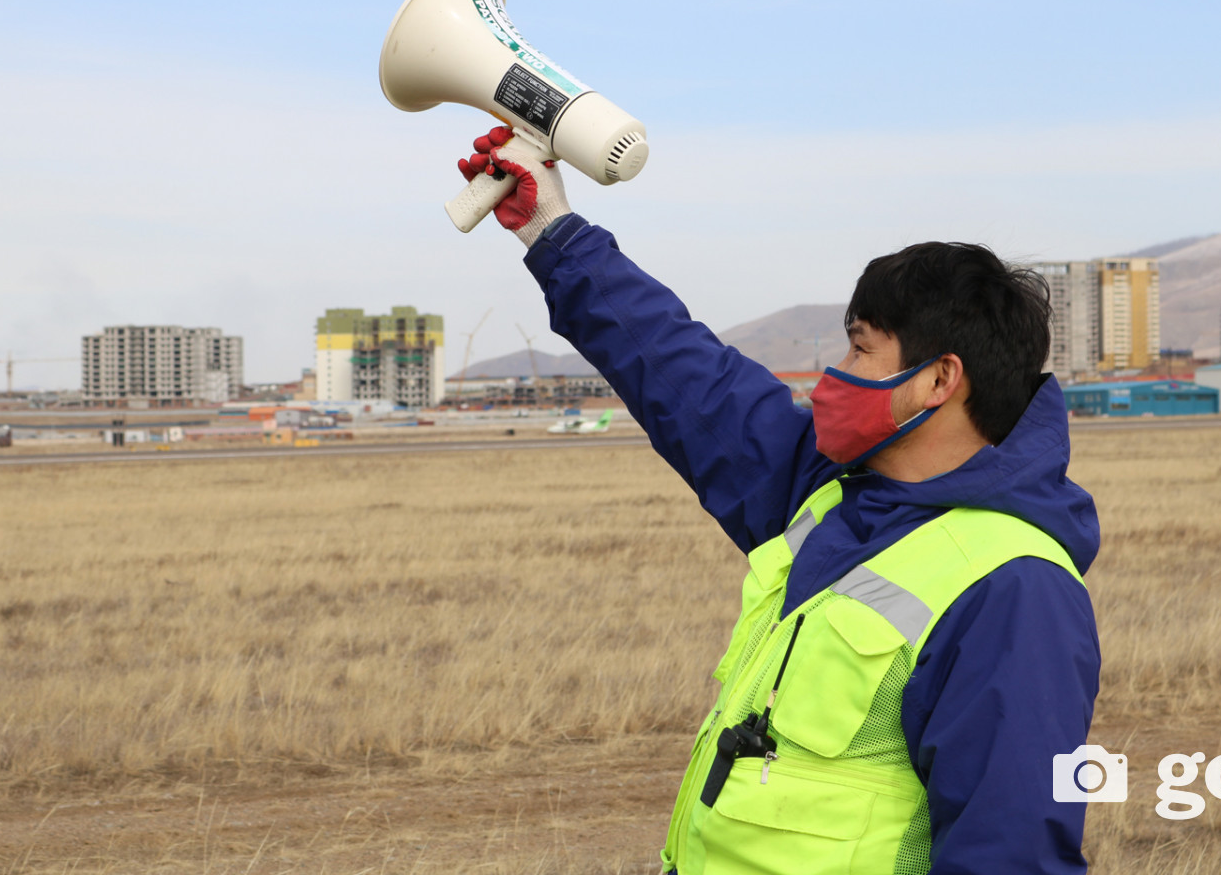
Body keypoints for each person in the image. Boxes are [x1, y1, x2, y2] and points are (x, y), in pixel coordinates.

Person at [456, 128, 1102, 875]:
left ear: (937, 381)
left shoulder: (1015, 590)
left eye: (861, 350)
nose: (836, 373)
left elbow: (1011, 853)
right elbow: (683, 375)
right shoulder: (829, 495)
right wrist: (554, 230)